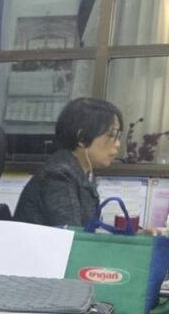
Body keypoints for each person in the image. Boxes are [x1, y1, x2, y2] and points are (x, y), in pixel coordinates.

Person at [13, 97, 122, 227]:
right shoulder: (58, 176)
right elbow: (70, 233)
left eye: (119, 136)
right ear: (82, 137)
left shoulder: (81, 171)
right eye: (111, 135)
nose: (117, 144)